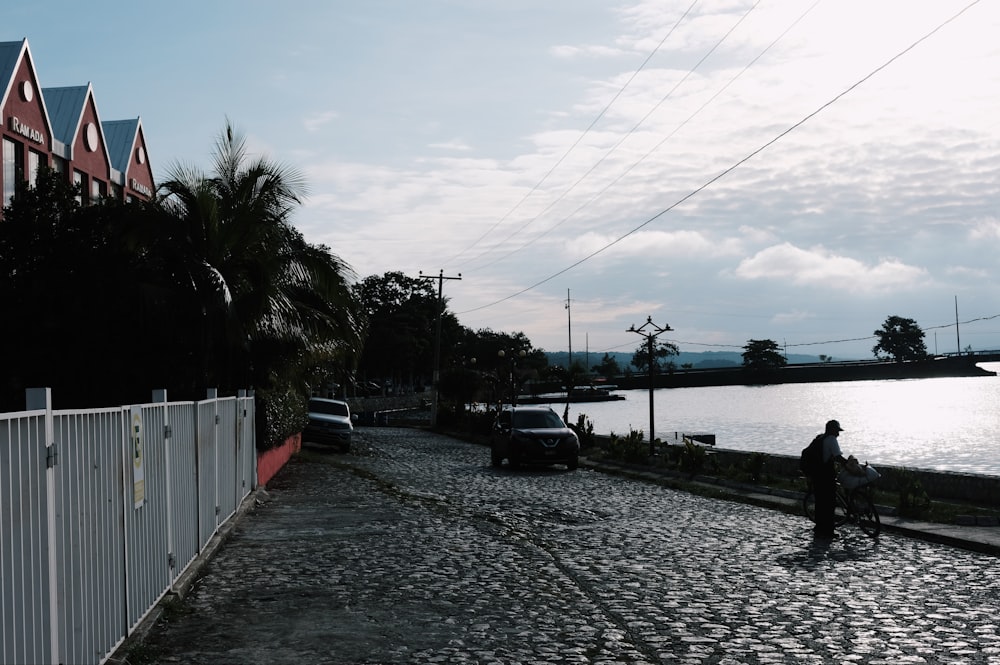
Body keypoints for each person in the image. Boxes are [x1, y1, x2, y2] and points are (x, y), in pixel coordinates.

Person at [814, 419, 849, 539]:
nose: (838, 434)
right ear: (832, 430)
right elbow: (838, 457)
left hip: (817, 473)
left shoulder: (821, 438)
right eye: (837, 431)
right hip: (826, 475)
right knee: (829, 503)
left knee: (820, 502)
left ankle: (819, 528)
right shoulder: (831, 440)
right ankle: (829, 531)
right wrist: (849, 464)